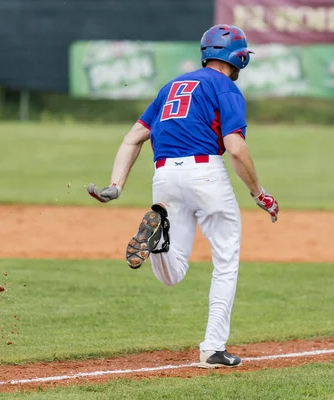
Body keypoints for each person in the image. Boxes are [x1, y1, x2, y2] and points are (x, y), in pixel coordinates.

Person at [87, 24, 279, 369]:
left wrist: (116, 185)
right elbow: (235, 148)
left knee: (171, 274)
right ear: (238, 58)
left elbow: (133, 138)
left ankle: (157, 238)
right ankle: (212, 348)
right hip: (205, 173)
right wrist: (259, 193)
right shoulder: (226, 89)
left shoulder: (172, 86)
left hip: (164, 177)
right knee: (226, 259)